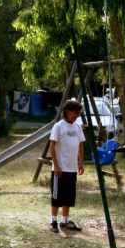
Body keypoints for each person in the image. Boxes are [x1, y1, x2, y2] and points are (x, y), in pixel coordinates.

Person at [49, 99, 85, 233]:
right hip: (60, 168)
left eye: (79, 113)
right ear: (67, 111)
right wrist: (56, 165)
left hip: (71, 167)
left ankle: (65, 221)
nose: (77, 116)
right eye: (76, 113)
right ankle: (53, 220)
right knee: (57, 196)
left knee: (69, 195)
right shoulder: (58, 126)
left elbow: (80, 145)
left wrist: (80, 162)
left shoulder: (77, 127)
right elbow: (52, 147)